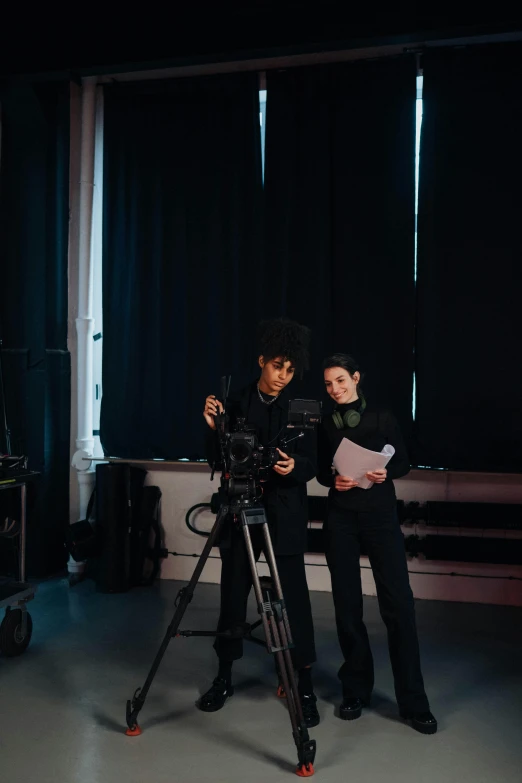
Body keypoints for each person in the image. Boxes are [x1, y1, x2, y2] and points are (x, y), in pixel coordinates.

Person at [199, 318, 319, 727]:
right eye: (277, 367)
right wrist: (213, 428)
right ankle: (224, 676)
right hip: (238, 513)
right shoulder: (232, 402)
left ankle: (303, 682)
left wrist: (293, 466)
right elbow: (218, 460)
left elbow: (313, 466)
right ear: (262, 361)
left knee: (295, 599)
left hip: (284, 515)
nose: (283, 377)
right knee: (232, 595)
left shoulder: (301, 410)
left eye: (290, 370)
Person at [317, 353, 437, 734]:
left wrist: (385, 471)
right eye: (328, 384)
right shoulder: (325, 422)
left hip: (380, 517)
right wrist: (331, 480)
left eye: (340, 380)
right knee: (347, 607)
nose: (335, 389)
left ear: (356, 378)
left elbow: (404, 462)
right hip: (340, 519)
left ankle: (413, 701)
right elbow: (321, 470)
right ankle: (355, 690)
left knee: (398, 605)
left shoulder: (382, 417)